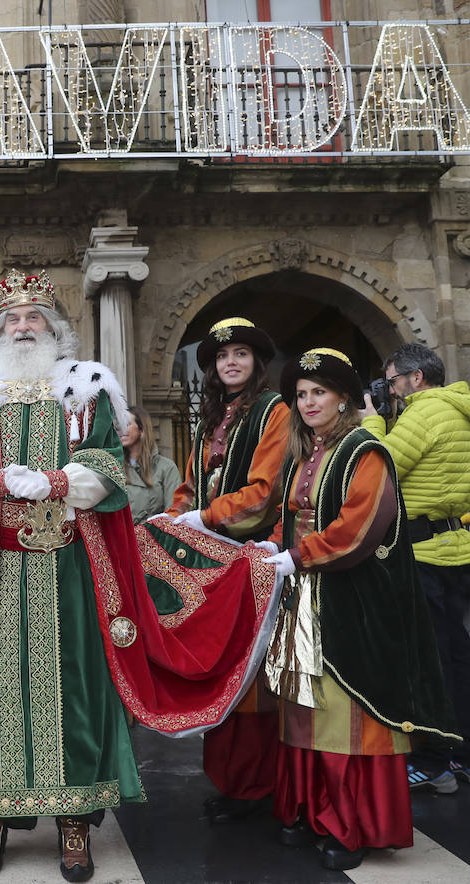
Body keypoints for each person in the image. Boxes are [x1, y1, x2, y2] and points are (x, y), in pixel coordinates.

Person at [0, 270, 147, 882]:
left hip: (72, 558)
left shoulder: (88, 388)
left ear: (55, 329)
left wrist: (56, 482)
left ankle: (74, 821)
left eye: (35, 318)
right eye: (13, 320)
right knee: (1, 685)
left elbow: (107, 457)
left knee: (75, 681)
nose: (24, 328)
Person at [261, 348, 457, 872]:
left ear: (344, 397)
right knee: (305, 705)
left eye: (318, 392)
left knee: (347, 711)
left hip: (353, 599)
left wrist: (296, 555)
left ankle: (352, 825)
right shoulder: (308, 451)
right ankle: (308, 809)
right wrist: (273, 548)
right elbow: (293, 517)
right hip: (305, 596)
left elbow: (361, 526)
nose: (308, 403)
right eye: (301, 395)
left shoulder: (363, 449)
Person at [162, 317, 290, 826]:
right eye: (221, 356)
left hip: (255, 559)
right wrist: (174, 519)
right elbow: (191, 485)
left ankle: (256, 786)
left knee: (254, 678)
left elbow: (266, 492)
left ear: (257, 362)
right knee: (220, 668)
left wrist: (206, 517)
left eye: (240, 353)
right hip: (215, 564)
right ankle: (231, 782)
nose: (230, 362)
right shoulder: (212, 418)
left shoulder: (273, 411)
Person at [358, 343, 470, 794]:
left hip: (423, 554)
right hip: (456, 546)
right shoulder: (465, 411)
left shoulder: (425, 411)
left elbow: (378, 464)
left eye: (393, 381)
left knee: (427, 662)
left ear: (416, 378)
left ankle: (433, 761)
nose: (391, 390)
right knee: (460, 657)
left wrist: (372, 416)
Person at [121, 405, 179, 523]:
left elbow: (174, 513)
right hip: (124, 538)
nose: (121, 429)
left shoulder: (166, 468)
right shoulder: (113, 467)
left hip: (155, 537)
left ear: (142, 429)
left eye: (127, 424)